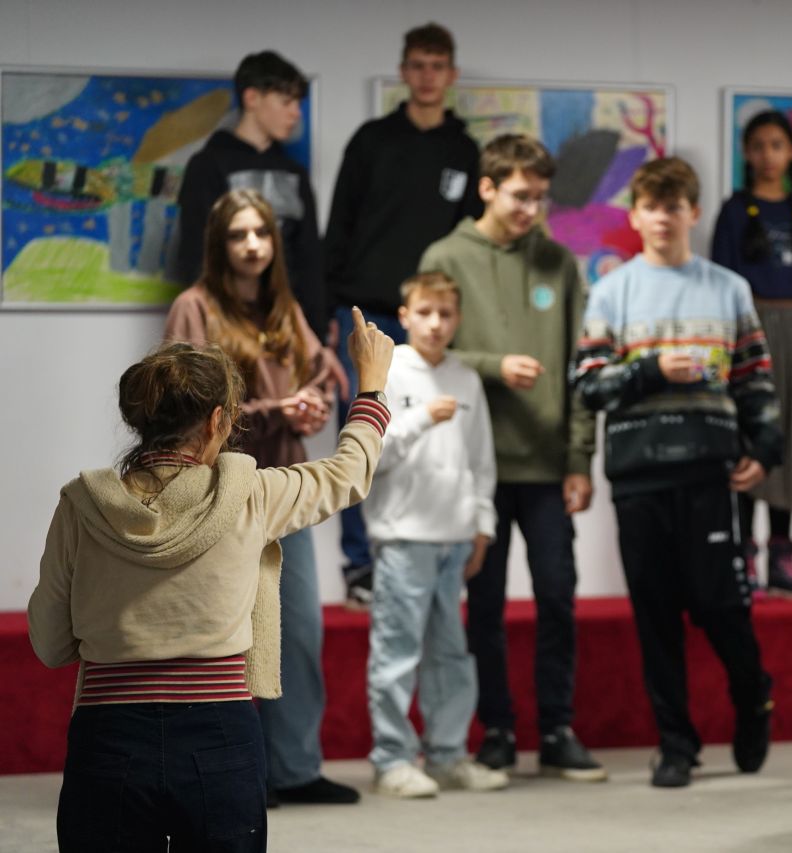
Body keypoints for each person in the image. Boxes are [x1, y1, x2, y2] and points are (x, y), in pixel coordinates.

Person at [27, 310, 393, 852]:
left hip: (107, 735)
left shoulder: (80, 505)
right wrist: (372, 384)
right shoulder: (253, 495)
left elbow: (50, 643)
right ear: (218, 419)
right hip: (221, 735)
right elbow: (348, 473)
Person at [572, 156, 781, 788]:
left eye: (674, 206)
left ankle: (753, 695)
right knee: (655, 614)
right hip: (638, 474)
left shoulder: (729, 289)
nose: (663, 218)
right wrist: (652, 369)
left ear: (693, 212)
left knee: (723, 608)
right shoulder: (610, 292)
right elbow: (588, 386)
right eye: (651, 207)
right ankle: (676, 744)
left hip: (711, 471)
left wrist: (765, 447)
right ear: (635, 216)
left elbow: (755, 377)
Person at [419, 133, 603, 781]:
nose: (531, 209)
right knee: (486, 605)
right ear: (487, 188)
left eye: (540, 198)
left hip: (549, 466)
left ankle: (556, 728)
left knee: (557, 597)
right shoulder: (444, 256)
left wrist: (580, 457)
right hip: (476, 468)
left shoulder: (559, 262)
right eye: (520, 196)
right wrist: (495, 366)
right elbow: (427, 355)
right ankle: (495, 728)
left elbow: (583, 367)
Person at [165, 188, 356, 806]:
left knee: (297, 632)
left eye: (261, 233)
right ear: (217, 244)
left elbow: (316, 377)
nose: (252, 245)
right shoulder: (193, 307)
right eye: (238, 235)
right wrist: (279, 408)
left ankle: (294, 769)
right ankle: (234, 775)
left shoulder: (285, 308)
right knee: (221, 637)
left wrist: (312, 405)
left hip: (283, 488)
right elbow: (183, 407)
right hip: (217, 490)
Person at [326, 21, 483, 606]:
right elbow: (338, 228)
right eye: (418, 65)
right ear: (403, 71)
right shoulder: (372, 140)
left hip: (430, 319)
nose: (427, 76)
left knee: (432, 436)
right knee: (361, 434)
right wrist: (327, 315)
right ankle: (360, 566)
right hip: (366, 313)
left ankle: (425, 558)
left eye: (437, 66)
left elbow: (468, 244)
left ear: (451, 74)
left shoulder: (463, 151)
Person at [361, 272, 509, 798]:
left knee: (451, 653)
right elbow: (370, 454)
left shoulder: (465, 378)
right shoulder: (387, 372)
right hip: (404, 535)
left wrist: (482, 526)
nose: (435, 324)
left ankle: (447, 755)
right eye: (424, 312)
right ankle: (392, 759)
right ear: (404, 315)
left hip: (454, 536)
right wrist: (421, 417)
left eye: (445, 314)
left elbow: (481, 461)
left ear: (458, 319)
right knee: (397, 650)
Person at [712, 110, 792, 600]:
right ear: (746, 152)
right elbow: (720, 283)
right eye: (758, 145)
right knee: (748, 439)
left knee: (791, 441)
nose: (767, 155)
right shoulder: (735, 211)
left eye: (777, 145)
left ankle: (782, 558)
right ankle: (742, 558)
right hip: (750, 332)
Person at [176, 50, 329, 340]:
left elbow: (309, 256)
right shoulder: (208, 165)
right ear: (252, 98)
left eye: (298, 103)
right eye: (286, 102)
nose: (296, 112)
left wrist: (316, 331)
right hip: (225, 323)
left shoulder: (294, 172)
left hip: (287, 324)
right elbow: (195, 252)